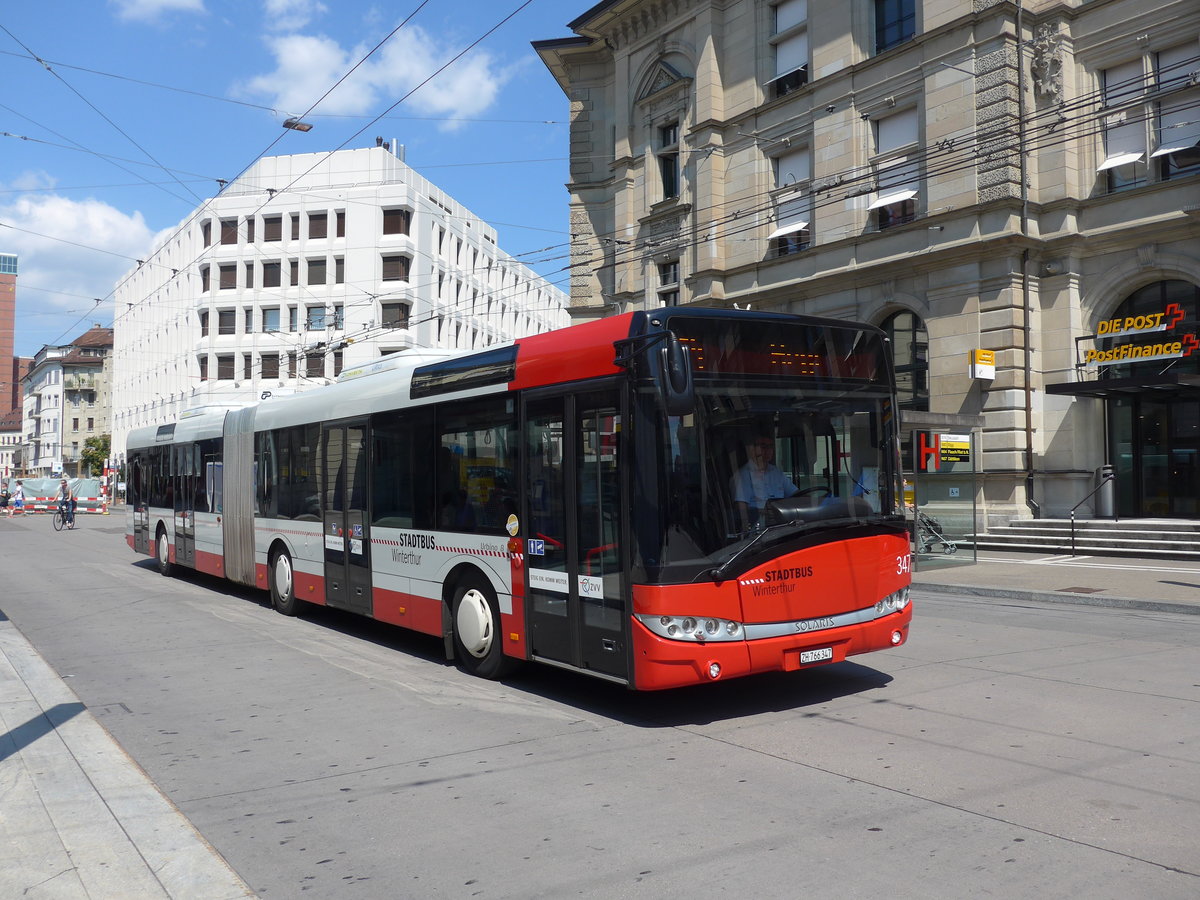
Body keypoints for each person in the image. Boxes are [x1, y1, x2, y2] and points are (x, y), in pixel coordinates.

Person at [732, 436, 798, 532]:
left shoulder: (776, 472)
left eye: (770, 446)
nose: (768, 450)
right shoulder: (743, 475)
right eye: (763, 446)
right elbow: (742, 510)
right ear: (752, 449)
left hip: (782, 526)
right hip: (758, 529)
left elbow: (796, 494)